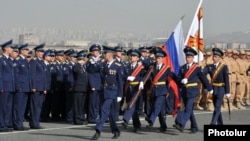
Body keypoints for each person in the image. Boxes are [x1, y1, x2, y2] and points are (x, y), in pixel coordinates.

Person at [174, 47, 213, 134]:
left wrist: (209, 88)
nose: (188, 59)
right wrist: (181, 81)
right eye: (187, 57)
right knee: (189, 110)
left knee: (188, 107)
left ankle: (181, 124)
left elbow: (203, 78)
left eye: (189, 57)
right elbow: (178, 78)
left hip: (192, 90)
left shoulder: (197, 68)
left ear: (193, 58)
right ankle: (194, 127)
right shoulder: (183, 68)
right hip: (184, 90)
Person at [90, 46, 123, 140]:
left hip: (113, 91)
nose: (103, 55)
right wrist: (94, 62)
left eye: (105, 53)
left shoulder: (118, 66)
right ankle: (116, 131)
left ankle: (98, 130)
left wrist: (120, 94)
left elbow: (120, 81)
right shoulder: (103, 65)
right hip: (104, 91)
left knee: (104, 110)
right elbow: (93, 71)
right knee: (111, 113)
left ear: (110, 54)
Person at [146, 48, 176, 132]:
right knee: (159, 110)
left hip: (162, 91)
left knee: (157, 106)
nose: (158, 59)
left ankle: (151, 121)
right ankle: (163, 126)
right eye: (157, 57)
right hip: (154, 90)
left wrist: (181, 82)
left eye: (160, 58)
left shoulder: (166, 68)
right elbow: (147, 74)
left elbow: (173, 77)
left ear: (163, 59)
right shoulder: (152, 67)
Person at [203, 48, 230, 125]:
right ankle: (220, 123)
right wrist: (206, 86)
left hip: (221, 89)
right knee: (216, 107)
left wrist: (227, 92)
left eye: (216, 56)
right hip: (212, 89)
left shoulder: (224, 67)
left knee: (217, 107)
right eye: (213, 56)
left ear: (219, 58)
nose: (214, 58)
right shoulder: (209, 67)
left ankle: (213, 122)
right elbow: (202, 76)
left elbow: (226, 80)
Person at [121, 49, 145, 133]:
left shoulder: (141, 68)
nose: (132, 57)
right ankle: (137, 126)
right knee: (133, 108)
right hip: (129, 88)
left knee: (131, 104)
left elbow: (144, 75)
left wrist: (142, 81)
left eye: (134, 56)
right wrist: (127, 78)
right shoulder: (126, 67)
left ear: (138, 58)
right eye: (131, 56)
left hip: (136, 89)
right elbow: (122, 76)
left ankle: (126, 120)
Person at [29, 43, 48, 129]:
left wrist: (44, 88)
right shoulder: (34, 62)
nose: (42, 53)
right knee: (34, 106)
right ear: (36, 52)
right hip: (36, 88)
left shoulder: (41, 62)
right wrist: (33, 86)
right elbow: (32, 75)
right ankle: (33, 123)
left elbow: (44, 76)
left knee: (39, 106)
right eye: (40, 52)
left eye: (42, 52)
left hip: (41, 87)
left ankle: (36, 122)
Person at [12, 43, 30, 131]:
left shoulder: (25, 61)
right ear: (21, 51)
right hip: (20, 88)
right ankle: (17, 124)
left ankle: (20, 123)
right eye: (26, 50)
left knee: (22, 107)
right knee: (18, 106)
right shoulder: (17, 61)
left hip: (26, 87)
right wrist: (18, 86)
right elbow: (16, 75)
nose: (28, 51)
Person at [0, 39, 15, 132]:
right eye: (10, 47)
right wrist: (0, 86)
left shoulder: (9, 60)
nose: (12, 49)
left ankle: (6, 124)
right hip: (4, 87)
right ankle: (1, 125)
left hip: (10, 87)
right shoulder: (2, 60)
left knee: (8, 107)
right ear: (5, 49)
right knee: (3, 107)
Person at [72, 53, 88, 125]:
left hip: (84, 88)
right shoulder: (76, 67)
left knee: (81, 105)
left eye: (82, 60)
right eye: (80, 59)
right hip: (78, 88)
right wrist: (78, 64)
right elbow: (75, 71)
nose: (81, 61)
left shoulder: (84, 67)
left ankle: (81, 117)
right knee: (77, 105)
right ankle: (77, 119)